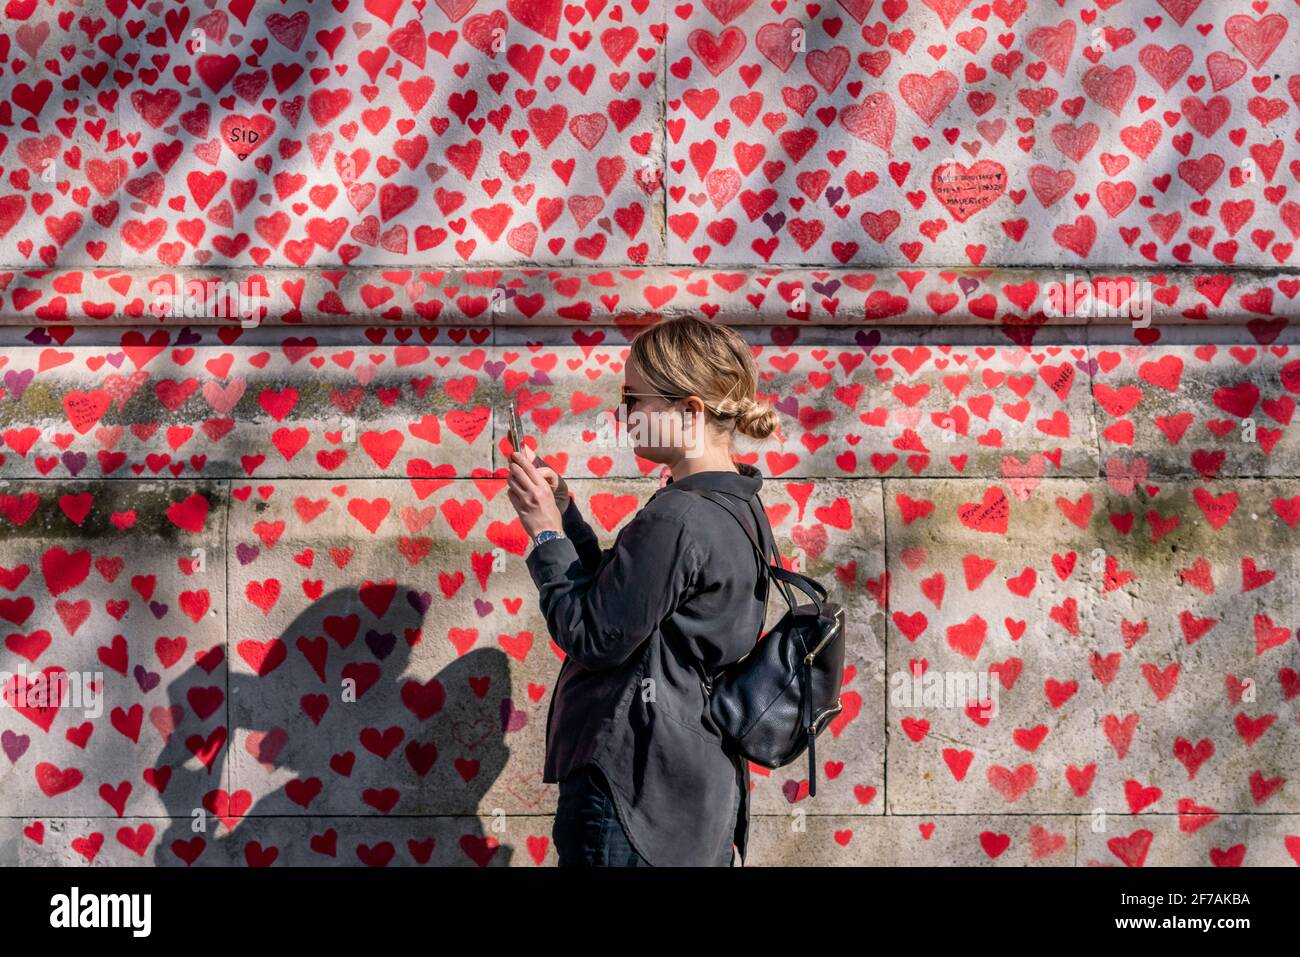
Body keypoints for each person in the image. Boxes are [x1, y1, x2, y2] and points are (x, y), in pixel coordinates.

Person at [505, 314, 782, 866]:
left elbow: (592, 634)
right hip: (694, 789)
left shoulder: (679, 515)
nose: (622, 413)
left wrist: (542, 535)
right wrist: (565, 517)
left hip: (635, 789)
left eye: (634, 398)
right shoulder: (737, 504)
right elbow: (625, 598)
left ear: (691, 411)